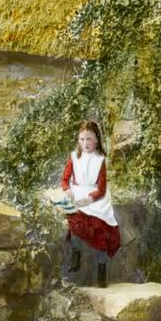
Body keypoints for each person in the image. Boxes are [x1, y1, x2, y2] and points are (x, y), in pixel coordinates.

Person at [60, 120, 120, 287]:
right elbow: (65, 179)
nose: (85, 143)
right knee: (75, 221)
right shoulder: (74, 157)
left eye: (89, 139)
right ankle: (76, 254)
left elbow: (101, 189)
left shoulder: (100, 160)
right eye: (82, 139)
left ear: (96, 140)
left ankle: (102, 270)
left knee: (101, 229)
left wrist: (89, 199)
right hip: (77, 193)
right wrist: (68, 190)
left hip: (95, 197)